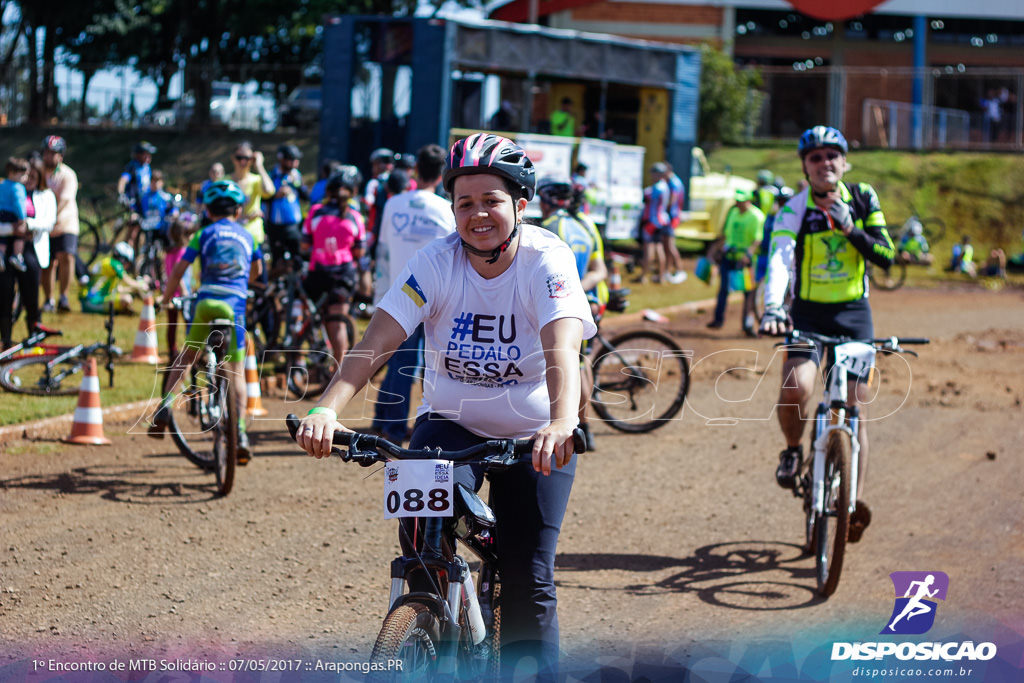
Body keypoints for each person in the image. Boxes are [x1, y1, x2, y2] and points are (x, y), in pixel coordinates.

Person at [295, 133, 595, 681]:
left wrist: (561, 421)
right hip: (449, 423)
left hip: (535, 432)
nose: (477, 213)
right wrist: (327, 409)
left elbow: (562, 347)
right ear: (451, 208)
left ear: (520, 205)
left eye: (492, 200)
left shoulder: (546, 258)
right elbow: (375, 343)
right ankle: (429, 621)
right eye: (464, 202)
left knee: (529, 575)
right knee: (420, 540)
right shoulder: (435, 261)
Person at [760, 125, 897, 544]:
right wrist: (772, 308)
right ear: (805, 166)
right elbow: (780, 260)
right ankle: (792, 449)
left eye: (831, 156)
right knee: (796, 389)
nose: (825, 164)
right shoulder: (793, 209)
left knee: (855, 410)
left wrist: (850, 229)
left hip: (855, 315)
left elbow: (888, 255)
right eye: (815, 158)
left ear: (843, 161)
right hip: (807, 315)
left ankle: (851, 505)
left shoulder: (862, 197)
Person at [149, 180, 263, 464]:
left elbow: (178, 270)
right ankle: (241, 433)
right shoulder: (250, 236)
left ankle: (165, 406)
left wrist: (165, 300)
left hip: (207, 300)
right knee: (236, 369)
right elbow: (257, 271)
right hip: (233, 304)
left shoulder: (203, 234)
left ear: (209, 211)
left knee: (187, 354)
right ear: (238, 210)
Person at [370, 143, 456, 445]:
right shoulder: (445, 209)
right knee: (409, 363)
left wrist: (378, 292)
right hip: (429, 295)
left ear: (415, 170)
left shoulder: (394, 204)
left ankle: (384, 419)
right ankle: (392, 428)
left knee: (396, 358)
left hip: (395, 291)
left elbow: (381, 251)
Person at [537, 175, 608, 450]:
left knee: (569, 365)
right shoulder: (584, 224)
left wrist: (571, 292)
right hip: (589, 301)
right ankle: (584, 424)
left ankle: (583, 427)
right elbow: (600, 269)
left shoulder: (549, 228)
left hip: (563, 305)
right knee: (581, 363)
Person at [301, 167, 366, 365]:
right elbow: (359, 251)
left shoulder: (315, 212)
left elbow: (304, 245)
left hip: (318, 273)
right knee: (337, 324)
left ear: (328, 191)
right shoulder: (355, 217)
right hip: (343, 275)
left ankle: (306, 355)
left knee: (307, 313)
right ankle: (337, 374)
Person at [0, 158, 57, 348]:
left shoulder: (45, 195)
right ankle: (6, 340)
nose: (28, 180)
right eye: (26, 176)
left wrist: (28, 225)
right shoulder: (10, 190)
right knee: (5, 295)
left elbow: (49, 222)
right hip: (7, 249)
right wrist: (12, 229)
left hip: (31, 250)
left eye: (33, 177)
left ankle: (34, 335)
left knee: (31, 297)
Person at [708, 188, 764, 336]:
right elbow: (726, 234)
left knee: (748, 292)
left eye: (740, 200)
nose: (737, 203)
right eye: (737, 200)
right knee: (723, 289)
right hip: (729, 255)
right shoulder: (733, 213)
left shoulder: (756, 216)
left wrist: (748, 254)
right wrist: (715, 250)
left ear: (748, 200)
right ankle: (718, 319)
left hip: (745, 259)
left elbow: (757, 239)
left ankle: (748, 324)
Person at [40, 136, 80, 314]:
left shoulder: (68, 175)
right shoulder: (38, 172)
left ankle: (64, 296)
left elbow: (63, 201)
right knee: (47, 263)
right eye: (46, 153)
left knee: (66, 257)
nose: (49, 157)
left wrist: (48, 217)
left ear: (60, 156)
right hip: (44, 225)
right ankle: (49, 299)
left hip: (65, 223)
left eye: (53, 153)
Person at [638, 162, 686, 285]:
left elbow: (650, 201)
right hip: (663, 219)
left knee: (652, 247)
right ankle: (662, 275)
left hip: (655, 220)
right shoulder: (666, 185)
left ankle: (645, 275)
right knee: (660, 248)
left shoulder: (659, 187)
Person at [265, 143, 308, 272]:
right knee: (277, 261)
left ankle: (294, 287)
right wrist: (275, 196)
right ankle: (276, 288)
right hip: (275, 226)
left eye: (296, 160)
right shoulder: (271, 176)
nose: (295, 163)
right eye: (292, 160)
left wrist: (297, 184)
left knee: (296, 259)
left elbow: (306, 197)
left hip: (294, 225)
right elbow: (263, 198)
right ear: (282, 159)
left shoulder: (296, 175)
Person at [79, 241, 151, 314]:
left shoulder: (108, 263)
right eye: (128, 263)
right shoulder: (114, 264)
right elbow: (128, 281)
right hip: (91, 302)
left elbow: (119, 289)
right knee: (126, 299)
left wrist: (133, 290)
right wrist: (142, 284)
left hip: (88, 302)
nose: (127, 266)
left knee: (126, 297)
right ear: (122, 259)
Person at [0, 157, 29, 274]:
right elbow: (18, 204)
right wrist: (22, 218)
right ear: (12, 173)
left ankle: (1, 254)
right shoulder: (18, 187)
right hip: (12, 215)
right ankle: (17, 255)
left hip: (1, 214)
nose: (25, 178)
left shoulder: (2, 184)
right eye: (23, 175)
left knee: (2, 238)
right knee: (19, 235)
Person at [117, 141, 157, 213]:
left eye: (149, 154)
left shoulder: (147, 167)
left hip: (146, 202)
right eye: (146, 154)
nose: (149, 156)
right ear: (138, 155)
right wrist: (121, 194)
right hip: (134, 204)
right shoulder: (133, 167)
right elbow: (123, 180)